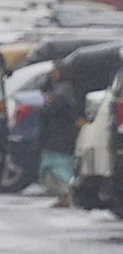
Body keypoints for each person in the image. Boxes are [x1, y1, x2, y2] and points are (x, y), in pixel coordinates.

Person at [38, 64, 81, 207]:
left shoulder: (65, 90)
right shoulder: (56, 88)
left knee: (59, 167)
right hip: (54, 136)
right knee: (51, 168)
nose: (52, 74)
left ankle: (67, 195)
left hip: (61, 137)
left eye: (55, 71)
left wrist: (50, 103)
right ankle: (63, 196)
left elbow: (55, 109)